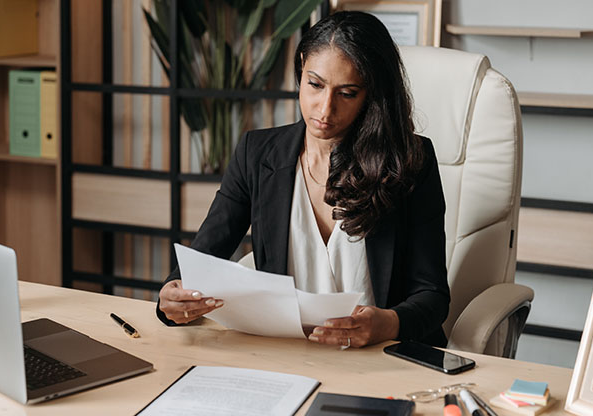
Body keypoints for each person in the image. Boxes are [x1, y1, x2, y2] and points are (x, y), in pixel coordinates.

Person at [156, 10, 450, 348]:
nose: (324, 110)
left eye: (348, 93)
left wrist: (386, 324)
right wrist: (172, 296)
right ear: (301, 68)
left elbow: (433, 296)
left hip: (381, 355)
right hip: (288, 352)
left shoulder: (409, 161)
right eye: (315, 84)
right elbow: (204, 257)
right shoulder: (257, 154)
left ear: (373, 94)